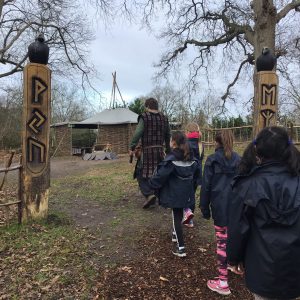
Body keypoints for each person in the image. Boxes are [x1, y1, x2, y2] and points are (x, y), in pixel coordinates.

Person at [227, 126, 300, 300]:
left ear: (257, 149)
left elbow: (237, 229)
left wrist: (233, 259)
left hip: (262, 273)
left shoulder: (247, 185)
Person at [200, 129, 240, 296]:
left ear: (216, 142)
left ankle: (223, 282)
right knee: (237, 237)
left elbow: (206, 186)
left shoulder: (212, 160)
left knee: (222, 243)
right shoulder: (240, 160)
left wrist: (204, 207)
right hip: (237, 208)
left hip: (220, 208)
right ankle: (235, 265)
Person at [149, 131, 200, 257]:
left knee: (176, 217)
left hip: (175, 194)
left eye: (171, 140)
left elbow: (161, 176)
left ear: (174, 142)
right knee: (177, 216)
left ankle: (181, 248)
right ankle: (174, 235)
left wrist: (151, 183)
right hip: (187, 193)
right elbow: (197, 175)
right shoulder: (191, 157)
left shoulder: (172, 159)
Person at [129, 98, 171, 209]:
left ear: (147, 106)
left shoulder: (144, 117)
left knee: (139, 172)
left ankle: (149, 194)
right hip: (160, 151)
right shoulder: (164, 118)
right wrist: (168, 149)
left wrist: (132, 146)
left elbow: (138, 133)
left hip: (147, 152)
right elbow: (168, 134)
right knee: (158, 172)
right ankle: (159, 194)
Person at [182, 122, 205, 228]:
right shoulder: (201, 144)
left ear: (187, 132)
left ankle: (187, 213)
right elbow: (201, 158)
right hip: (197, 173)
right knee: (192, 194)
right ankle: (190, 217)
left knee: (185, 194)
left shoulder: (185, 144)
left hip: (187, 173)